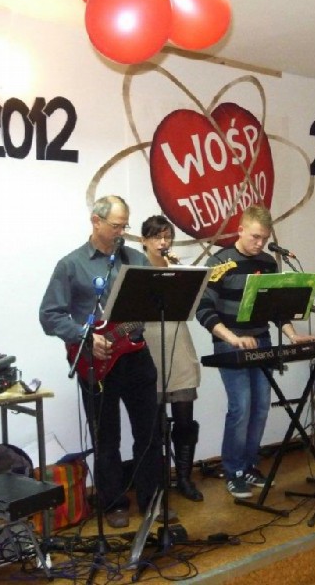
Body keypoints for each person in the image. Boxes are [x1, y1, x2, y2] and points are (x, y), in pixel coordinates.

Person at [39, 195, 166, 530]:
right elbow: (49, 315)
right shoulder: (71, 265)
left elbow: (154, 302)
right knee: (106, 438)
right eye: (116, 226)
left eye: (125, 225)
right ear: (95, 221)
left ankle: (151, 498)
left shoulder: (136, 259)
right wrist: (84, 337)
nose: (121, 232)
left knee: (150, 432)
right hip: (97, 360)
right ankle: (113, 503)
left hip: (136, 355)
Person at [195, 205, 315, 499]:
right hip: (229, 343)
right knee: (241, 407)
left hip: (262, 340)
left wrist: (292, 335)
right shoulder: (220, 262)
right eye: (255, 237)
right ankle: (233, 470)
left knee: (261, 406)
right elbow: (203, 309)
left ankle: (249, 465)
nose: (260, 243)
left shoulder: (267, 262)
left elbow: (276, 308)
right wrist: (232, 337)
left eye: (264, 238)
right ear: (240, 230)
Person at [140, 215, 204, 502]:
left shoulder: (177, 267)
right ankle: (157, 481)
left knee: (184, 419)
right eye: (156, 237)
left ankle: (184, 478)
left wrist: (185, 274)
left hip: (178, 345)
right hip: (148, 346)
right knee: (153, 425)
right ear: (144, 240)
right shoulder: (136, 269)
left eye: (167, 237)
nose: (163, 242)